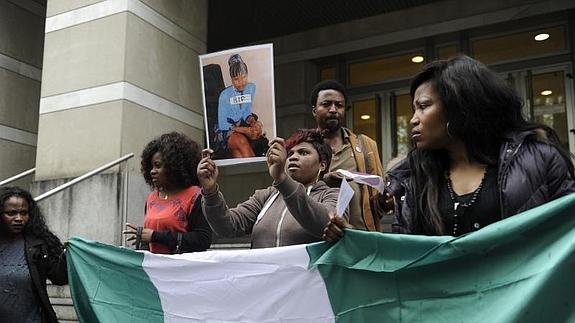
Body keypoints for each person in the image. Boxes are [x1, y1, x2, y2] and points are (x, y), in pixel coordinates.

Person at [323, 55, 575, 241]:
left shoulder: (539, 160)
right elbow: (404, 256)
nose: (413, 119)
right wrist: (353, 239)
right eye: (413, 110)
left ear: (460, 106)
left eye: (423, 106)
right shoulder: (412, 179)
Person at [197, 128, 346, 248]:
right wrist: (210, 191)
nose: (293, 157)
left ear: (322, 164)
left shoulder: (333, 195)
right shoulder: (265, 196)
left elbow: (324, 225)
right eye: (290, 154)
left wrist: (282, 178)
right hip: (266, 283)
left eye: (303, 153)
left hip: (306, 283)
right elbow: (227, 227)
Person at [310, 79, 387, 232]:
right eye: (326, 104)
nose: (333, 110)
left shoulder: (365, 145)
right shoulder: (303, 149)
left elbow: (378, 204)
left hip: (362, 238)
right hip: (321, 238)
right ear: (314, 110)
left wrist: (387, 201)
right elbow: (295, 196)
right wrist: (323, 181)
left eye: (339, 105)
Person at [124, 132, 212, 254]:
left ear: (174, 166)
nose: (152, 171)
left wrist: (155, 236)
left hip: (182, 268)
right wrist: (142, 241)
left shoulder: (195, 196)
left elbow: (202, 239)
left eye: (158, 166)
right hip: (155, 269)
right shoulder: (152, 198)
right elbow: (148, 238)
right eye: (151, 167)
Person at [0, 186, 67, 323]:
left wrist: (68, 256)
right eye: (11, 213)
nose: (19, 218)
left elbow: (60, 278)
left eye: (24, 213)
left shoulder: (39, 244)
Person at [217, 53, 257, 158]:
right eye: (236, 79)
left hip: (239, 127)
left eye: (243, 77)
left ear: (247, 75)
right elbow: (222, 124)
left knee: (241, 154)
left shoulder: (251, 88)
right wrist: (245, 130)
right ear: (231, 78)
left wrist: (253, 122)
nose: (241, 83)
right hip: (224, 130)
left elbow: (246, 112)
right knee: (242, 142)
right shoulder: (224, 95)